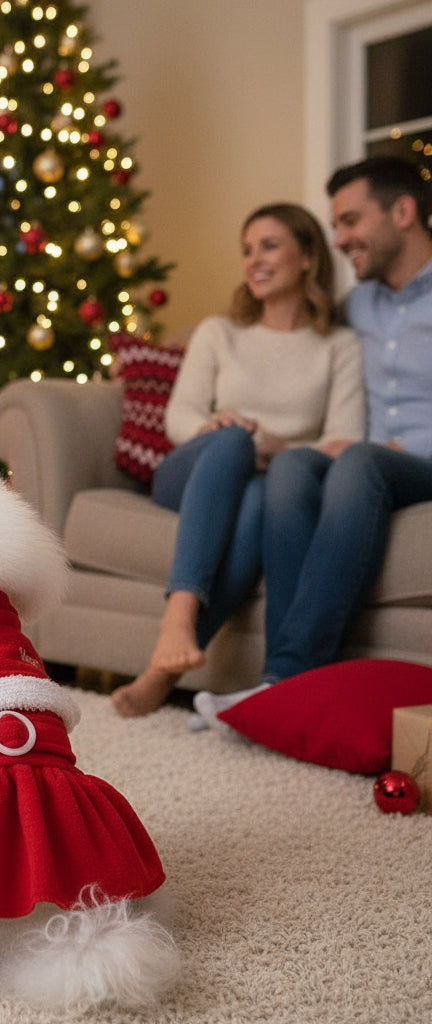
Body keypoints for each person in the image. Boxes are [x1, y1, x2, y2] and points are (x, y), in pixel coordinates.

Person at [194, 156, 432, 726]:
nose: (340, 238)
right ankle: (278, 683)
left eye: (350, 221)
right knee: (295, 466)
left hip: (416, 463)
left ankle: (287, 679)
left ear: (402, 212)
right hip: (370, 466)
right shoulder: (356, 310)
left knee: (357, 462)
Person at [111, 203, 365, 717]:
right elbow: (178, 417)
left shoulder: (338, 345)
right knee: (233, 444)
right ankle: (178, 616)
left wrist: (279, 448)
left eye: (269, 245)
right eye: (247, 250)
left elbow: (345, 439)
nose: (254, 260)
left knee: (253, 498)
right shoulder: (219, 332)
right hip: (196, 468)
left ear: (309, 256)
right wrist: (222, 428)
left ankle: (162, 672)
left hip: (265, 482)